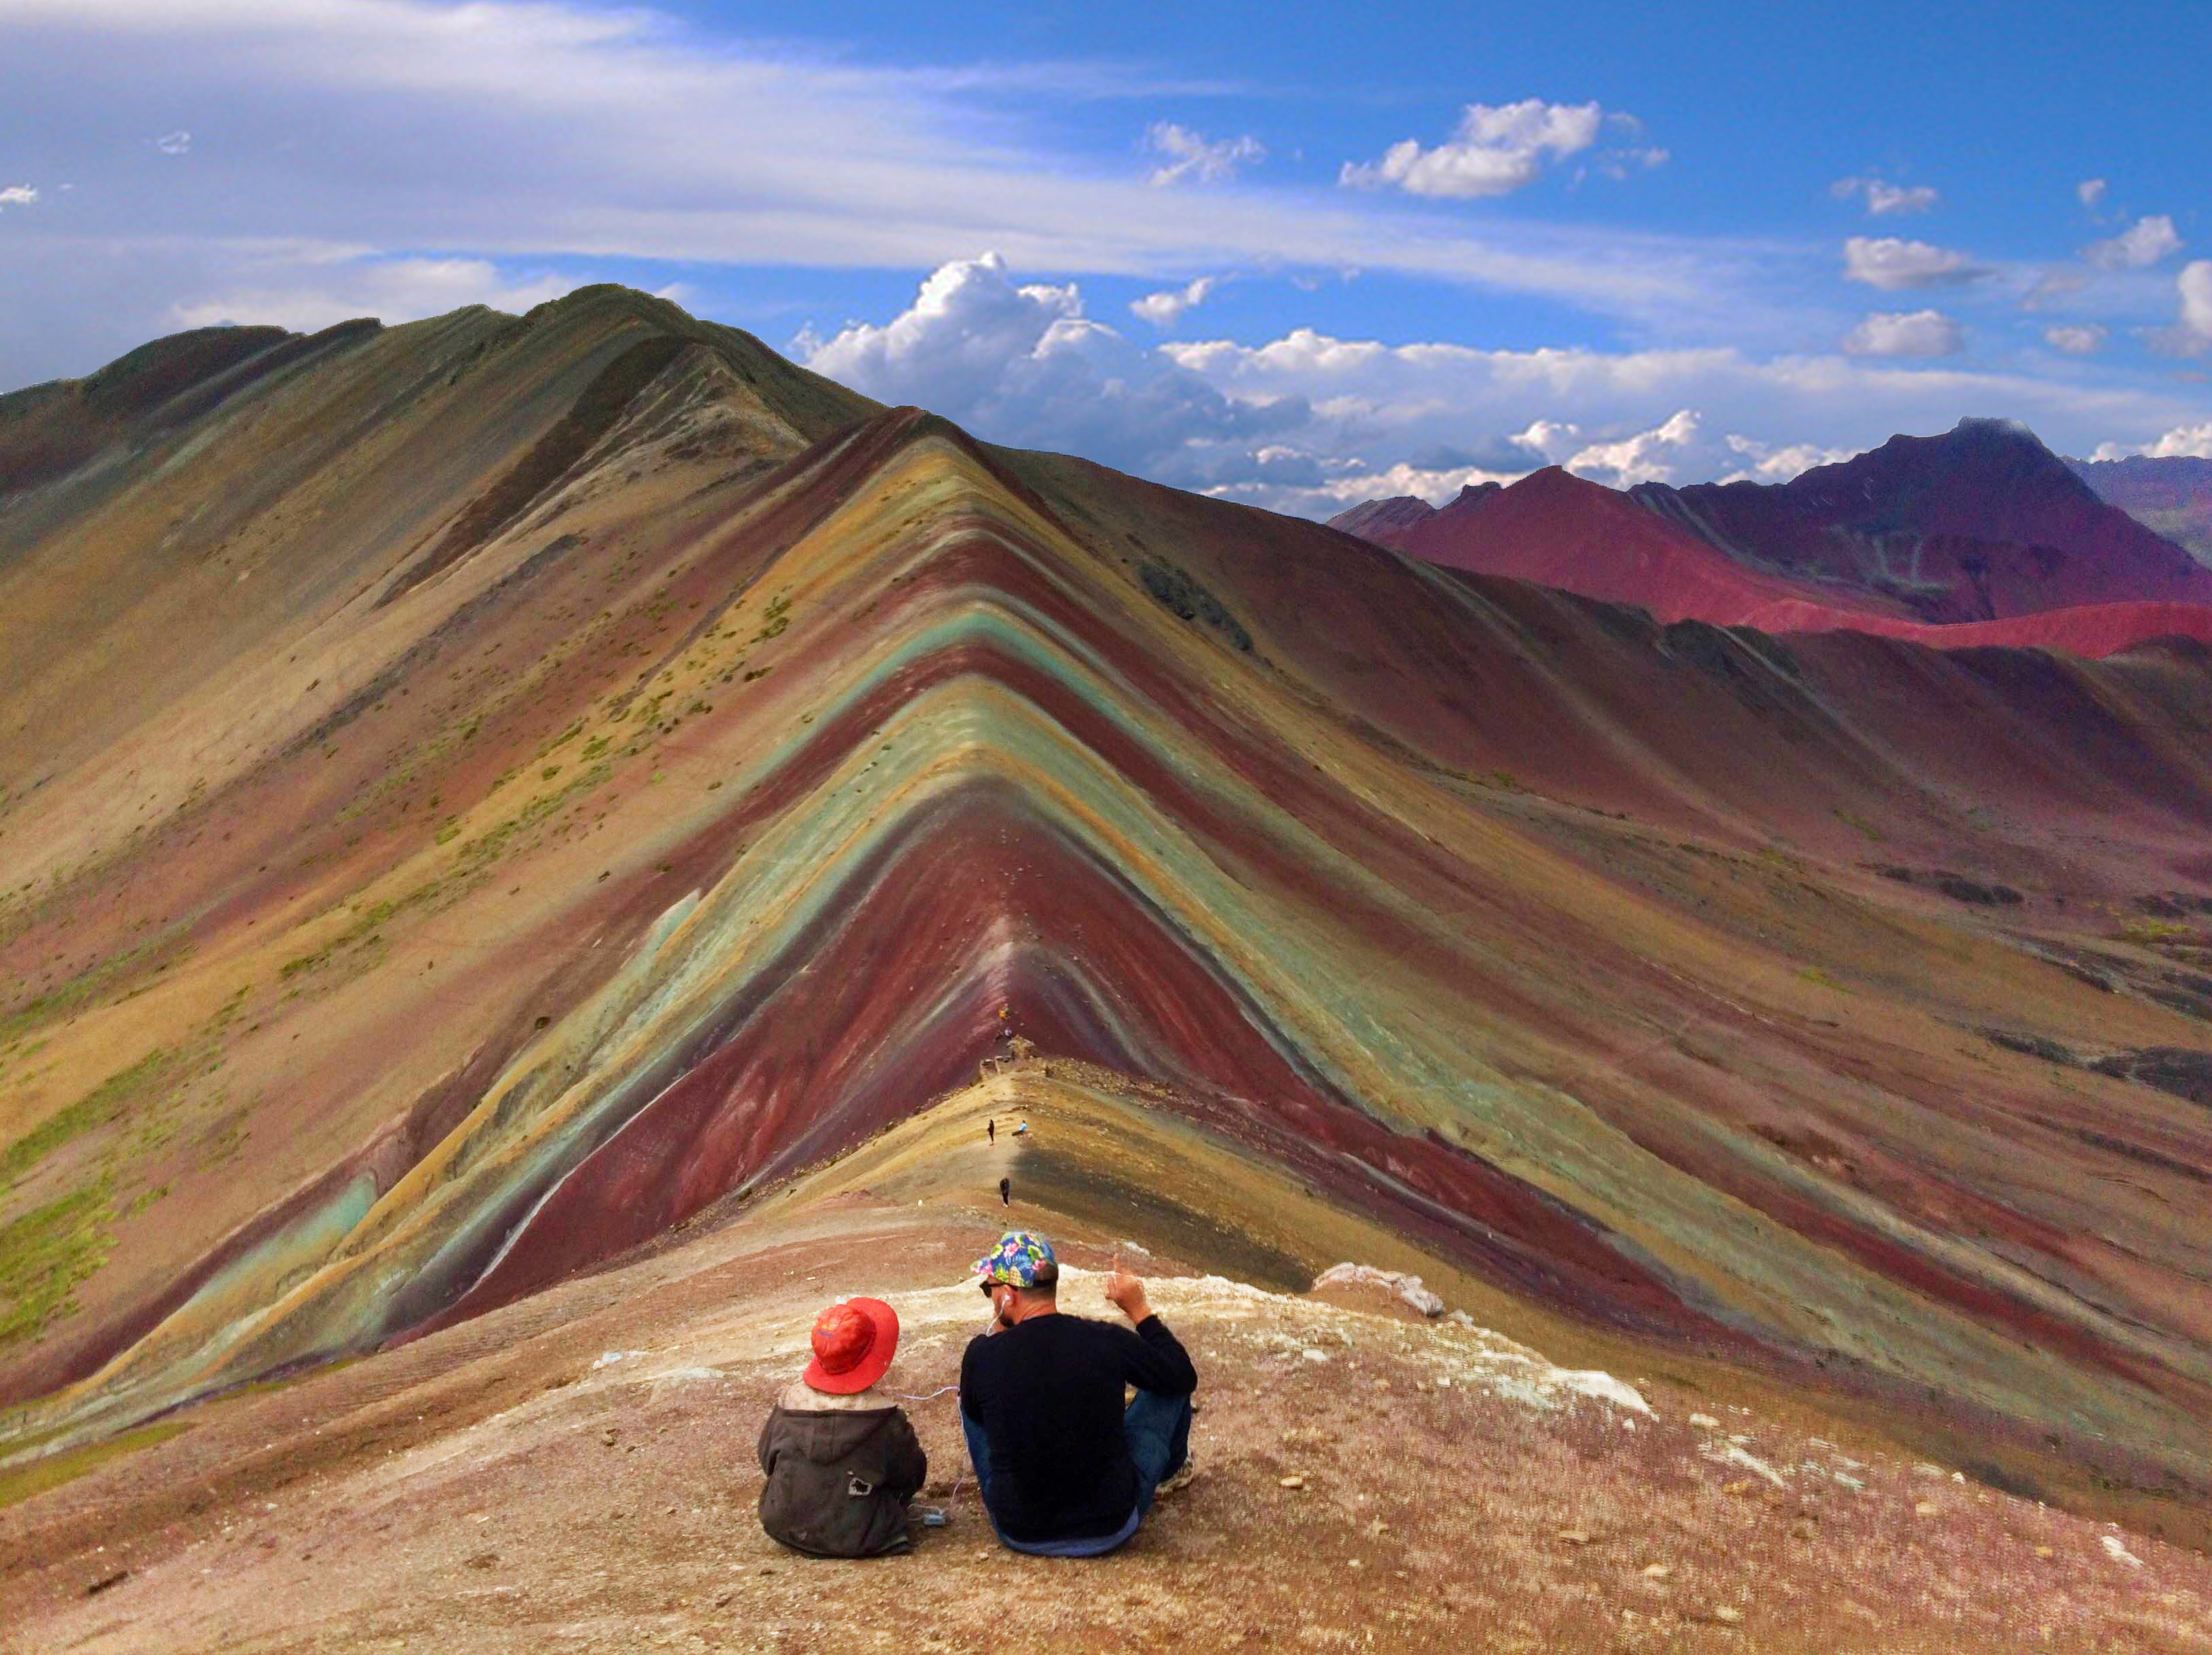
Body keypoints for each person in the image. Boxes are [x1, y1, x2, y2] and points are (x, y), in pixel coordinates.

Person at [959, 1231, 1197, 1556]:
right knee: (1169, 1383)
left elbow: (977, 1415)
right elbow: (1182, 1375)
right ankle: (1168, 1474)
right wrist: (1139, 1309)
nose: (990, 1296)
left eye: (990, 1289)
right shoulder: (1105, 1339)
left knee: (969, 1399)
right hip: (1111, 1525)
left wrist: (1002, 1327)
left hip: (1019, 1529)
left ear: (1010, 1295)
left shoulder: (982, 1354)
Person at [757, 1297, 928, 1558]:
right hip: (865, 1535)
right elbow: (912, 1477)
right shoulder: (886, 1421)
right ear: (871, 1355)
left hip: (784, 1525)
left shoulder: (788, 1407)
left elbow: (767, 1460)